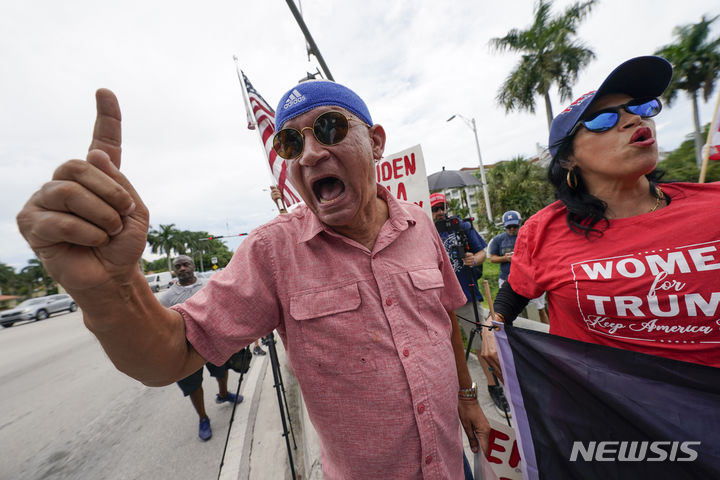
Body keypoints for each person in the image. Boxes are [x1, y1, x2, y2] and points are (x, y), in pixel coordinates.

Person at [17, 79, 490, 479]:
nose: (309, 153)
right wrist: (111, 289)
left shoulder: (418, 223)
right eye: (290, 142)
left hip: (450, 462)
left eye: (330, 128)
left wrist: (468, 397)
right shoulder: (272, 251)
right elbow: (170, 355)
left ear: (376, 142)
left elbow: (442, 315)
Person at [481, 55, 720, 378]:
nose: (634, 121)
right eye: (603, 119)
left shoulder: (712, 205)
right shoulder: (543, 230)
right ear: (568, 158)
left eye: (640, 107)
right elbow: (517, 290)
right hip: (601, 419)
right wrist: (492, 324)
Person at [430, 192, 510, 419]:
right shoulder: (426, 230)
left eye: (442, 207)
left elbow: (483, 251)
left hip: (467, 294)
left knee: (480, 342)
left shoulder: (461, 226)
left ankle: (494, 385)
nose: (440, 212)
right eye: (435, 209)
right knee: (443, 347)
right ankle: (453, 392)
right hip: (438, 299)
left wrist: (474, 260)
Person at [158, 255, 243, 441]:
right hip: (187, 350)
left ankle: (223, 394)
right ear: (174, 270)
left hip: (213, 341)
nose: (182, 268)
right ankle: (203, 418)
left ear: (193, 266)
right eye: (178, 266)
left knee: (221, 370)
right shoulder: (167, 297)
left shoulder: (209, 283)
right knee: (194, 385)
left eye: (185, 264)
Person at [488, 210, 549, 324]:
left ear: (519, 223)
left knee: (539, 308)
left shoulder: (529, 235)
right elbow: (492, 258)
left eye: (514, 226)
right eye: (509, 226)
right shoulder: (498, 239)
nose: (512, 229)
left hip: (531, 279)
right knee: (511, 312)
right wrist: (505, 258)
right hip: (508, 280)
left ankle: (547, 332)